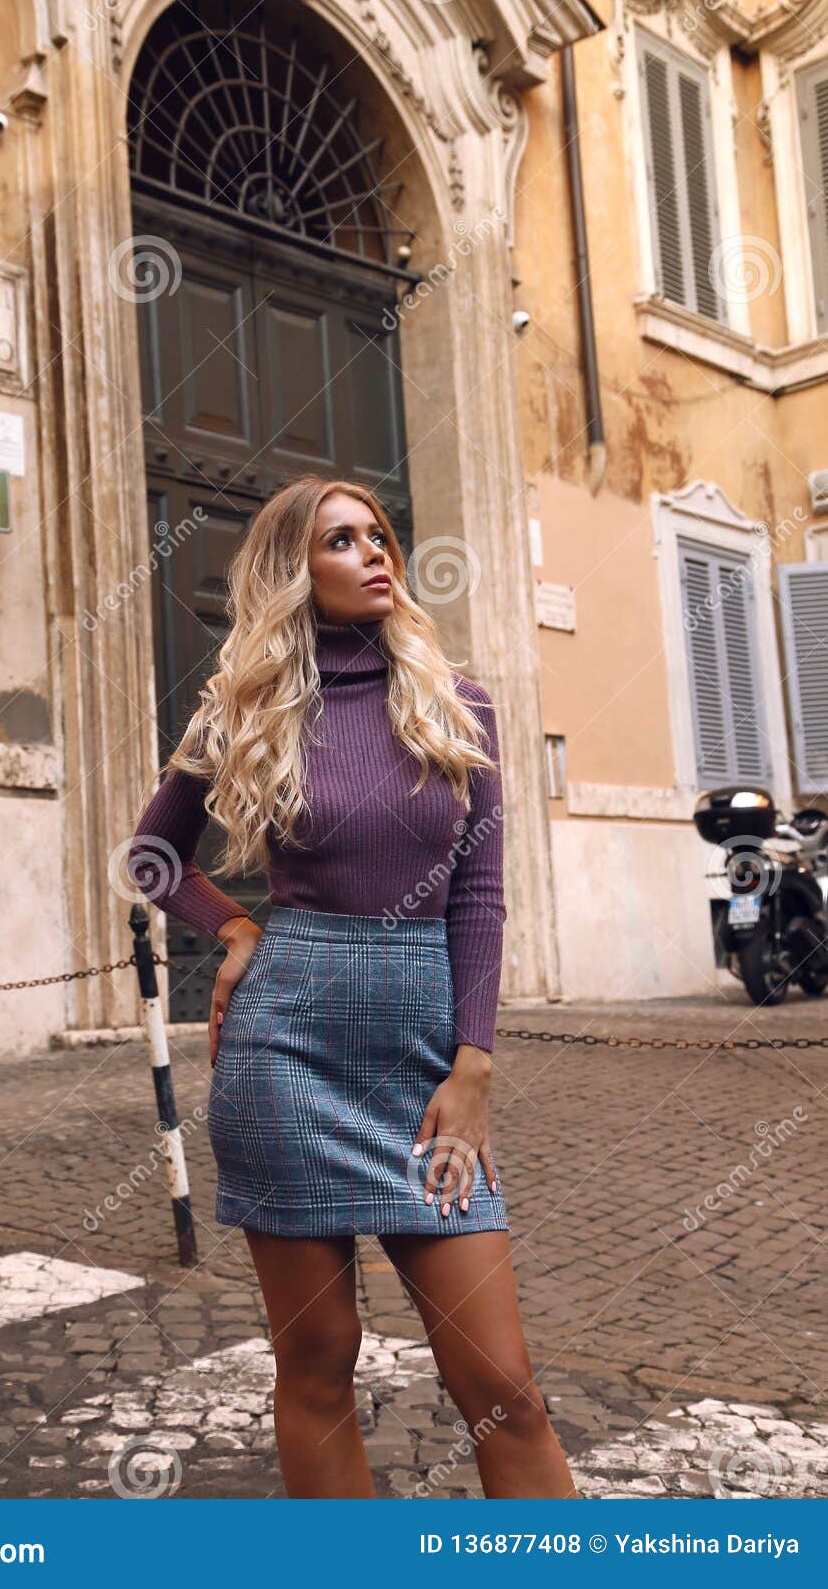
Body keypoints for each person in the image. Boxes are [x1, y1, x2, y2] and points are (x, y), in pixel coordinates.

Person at [128, 475, 577, 1499]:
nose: (376, 551)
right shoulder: (243, 706)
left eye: (379, 533)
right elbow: (151, 856)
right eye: (342, 539)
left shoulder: (453, 702)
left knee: (502, 1385)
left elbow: (478, 897)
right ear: (297, 569)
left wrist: (473, 1066)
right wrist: (235, 926)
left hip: (423, 1062)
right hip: (283, 1057)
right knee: (319, 1363)